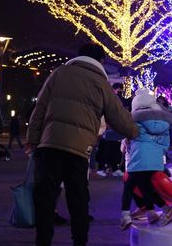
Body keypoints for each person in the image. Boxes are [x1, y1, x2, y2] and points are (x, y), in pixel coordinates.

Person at [26, 43, 138, 246]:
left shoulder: (59, 73)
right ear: (101, 61)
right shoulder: (100, 82)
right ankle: (79, 241)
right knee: (78, 201)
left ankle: (42, 242)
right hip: (77, 151)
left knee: (45, 200)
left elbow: (39, 108)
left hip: (49, 146)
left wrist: (32, 140)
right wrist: (135, 131)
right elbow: (119, 117)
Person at [120, 88, 172, 230]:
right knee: (146, 186)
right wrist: (158, 153)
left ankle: (125, 215)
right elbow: (165, 144)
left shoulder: (135, 121)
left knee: (129, 186)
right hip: (155, 159)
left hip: (139, 157)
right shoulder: (163, 123)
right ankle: (155, 212)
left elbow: (128, 137)